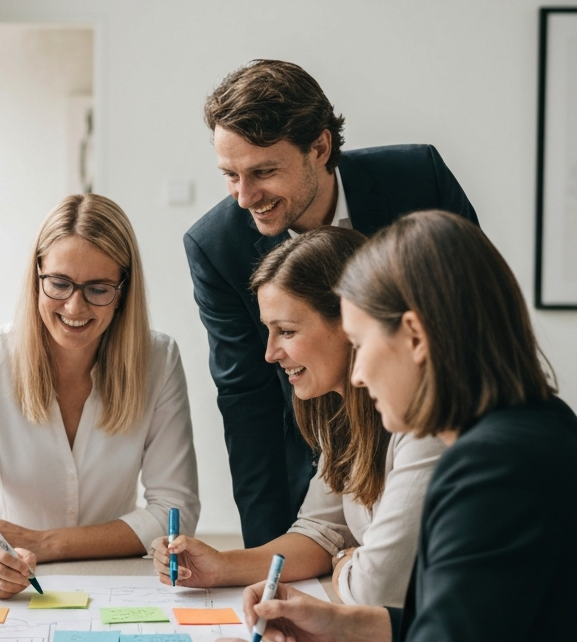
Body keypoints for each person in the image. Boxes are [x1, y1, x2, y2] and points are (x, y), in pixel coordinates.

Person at [200, 211, 577, 642]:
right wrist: (348, 627)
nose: (355, 372)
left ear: (415, 337)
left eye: (362, 344)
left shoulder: (488, 469)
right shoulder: (537, 430)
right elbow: (486, 639)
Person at [184, 60, 479, 547]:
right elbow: (247, 404)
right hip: (324, 465)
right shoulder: (217, 247)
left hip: (446, 442)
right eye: (229, 175)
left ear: (319, 148)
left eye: (263, 172)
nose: (244, 197)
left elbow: (472, 320)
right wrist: (267, 559)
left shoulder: (418, 181)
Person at [153, 228, 444, 606]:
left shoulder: (424, 425)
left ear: (349, 323)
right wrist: (222, 566)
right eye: (268, 332)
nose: (270, 354)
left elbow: (375, 590)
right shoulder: (338, 410)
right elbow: (321, 529)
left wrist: (345, 562)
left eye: (286, 331)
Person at [0, 194, 199, 597]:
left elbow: (175, 511)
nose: (75, 307)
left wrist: (49, 543)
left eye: (98, 289)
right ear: (37, 275)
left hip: (119, 580)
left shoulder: (158, 360)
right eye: (59, 283)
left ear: (124, 291)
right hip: (19, 579)